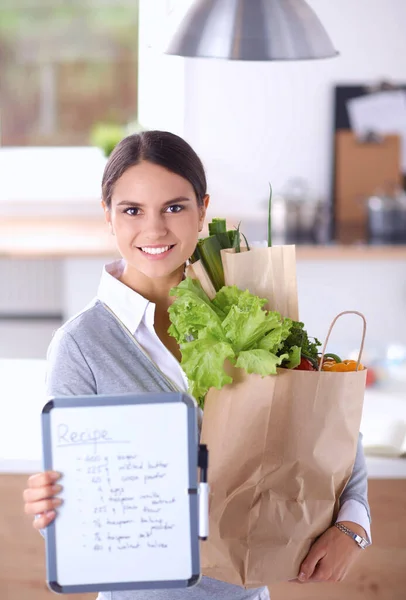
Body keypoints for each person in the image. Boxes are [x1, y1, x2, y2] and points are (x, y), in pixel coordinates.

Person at [23, 131, 371, 600]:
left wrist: (353, 526)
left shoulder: (252, 314)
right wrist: (52, 514)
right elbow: (76, 535)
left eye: (174, 207)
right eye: (132, 210)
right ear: (107, 214)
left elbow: (329, 430)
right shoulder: (81, 346)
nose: (155, 230)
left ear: (203, 209)